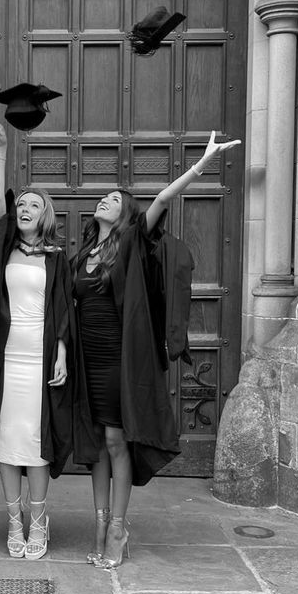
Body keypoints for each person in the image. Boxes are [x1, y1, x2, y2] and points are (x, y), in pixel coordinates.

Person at [73, 131, 241, 569]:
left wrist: (200, 166)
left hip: (119, 356)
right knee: (95, 443)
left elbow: (163, 199)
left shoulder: (130, 243)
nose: (106, 200)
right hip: (86, 357)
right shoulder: (83, 253)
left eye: (115, 198)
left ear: (127, 213)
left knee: (115, 438)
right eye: (104, 197)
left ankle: (117, 527)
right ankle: (98, 522)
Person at [0, 111, 75, 561]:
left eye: (33, 205)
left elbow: (64, 307)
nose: (25, 209)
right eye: (21, 204)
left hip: (42, 355)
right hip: (7, 358)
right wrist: (1, 149)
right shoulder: (2, 249)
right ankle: (14, 520)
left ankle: (40, 520)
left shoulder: (56, 258)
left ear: (44, 215)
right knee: (10, 442)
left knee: (37, 443)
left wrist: (63, 352)